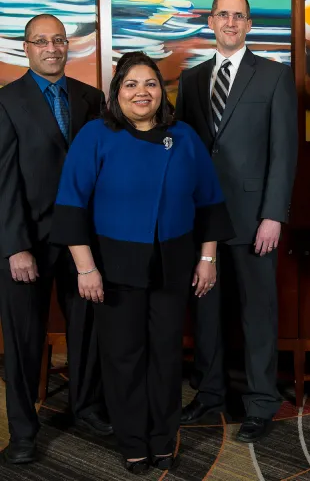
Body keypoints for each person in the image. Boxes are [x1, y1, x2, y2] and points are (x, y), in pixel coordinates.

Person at [50, 51, 234, 474]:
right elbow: (71, 207)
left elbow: (209, 204)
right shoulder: (95, 136)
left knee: (167, 356)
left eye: (150, 83)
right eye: (130, 84)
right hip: (114, 266)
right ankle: (133, 440)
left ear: (161, 92)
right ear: (117, 93)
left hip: (174, 262)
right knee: (124, 356)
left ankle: (163, 438)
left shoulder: (184, 136)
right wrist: (85, 268)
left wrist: (208, 258)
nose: (141, 92)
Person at [175, 0, 297, 442]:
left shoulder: (274, 76)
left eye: (238, 16)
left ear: (249, 25)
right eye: (222, 14)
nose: (230, 22)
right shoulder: (191, 80)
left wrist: (273, 215)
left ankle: (262, 400)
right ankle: (209, 393)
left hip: (255, 219)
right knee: (205, 311)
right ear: (210, 21)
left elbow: (284, 153)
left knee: (257, 313)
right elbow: (187, 151)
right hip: (202, 218)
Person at [0, 14, 110, 465]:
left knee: (87, 332)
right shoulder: (6, 101)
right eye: (41, 41)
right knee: (24, 341)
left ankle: (84, 408)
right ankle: (24, 432)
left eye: (58, 40)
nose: (51, 48)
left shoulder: (91, 98)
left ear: (69, 46)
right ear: (25, 48)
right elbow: (2, 182)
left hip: (82, 243)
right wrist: (14, 245)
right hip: (29, 243)